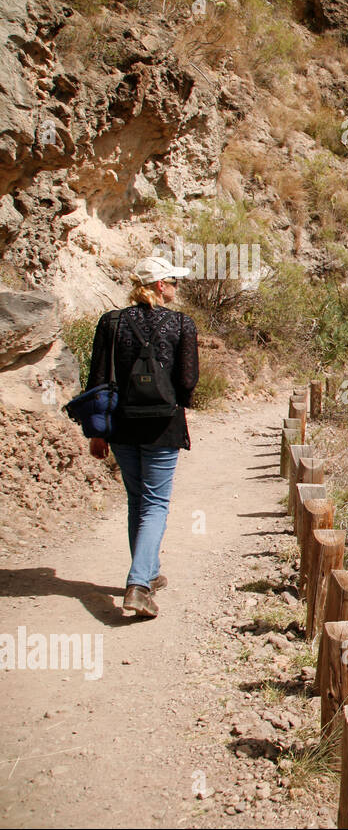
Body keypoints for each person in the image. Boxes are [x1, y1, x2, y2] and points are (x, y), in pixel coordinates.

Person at [86, 256, 200, 619]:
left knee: (138, 500)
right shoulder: (180, 323)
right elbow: (187, 381)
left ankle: (148, 572)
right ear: (158, 286)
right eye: (173, 282)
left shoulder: (111, 322)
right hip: (161, 426)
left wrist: (96, 430)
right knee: (155, 503)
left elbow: (98, 379)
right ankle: (138, 585)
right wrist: (176, 404)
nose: (177, 288)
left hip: (120, 424)